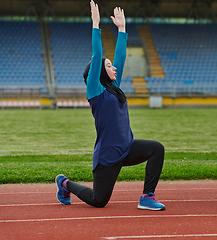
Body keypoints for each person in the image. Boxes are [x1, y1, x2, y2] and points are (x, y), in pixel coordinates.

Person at [55, 0, 165, 211]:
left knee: (156, 149)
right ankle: (64, 183)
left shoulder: (115, 88)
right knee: (99, 201)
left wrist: (122, 29)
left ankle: (147, 196)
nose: (113, 66)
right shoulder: (95, 92)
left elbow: (121, 58)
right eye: (108, 65)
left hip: (128, 147)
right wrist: (96, 25)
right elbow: (97, 56)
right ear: (99, 72)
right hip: (108, 156)